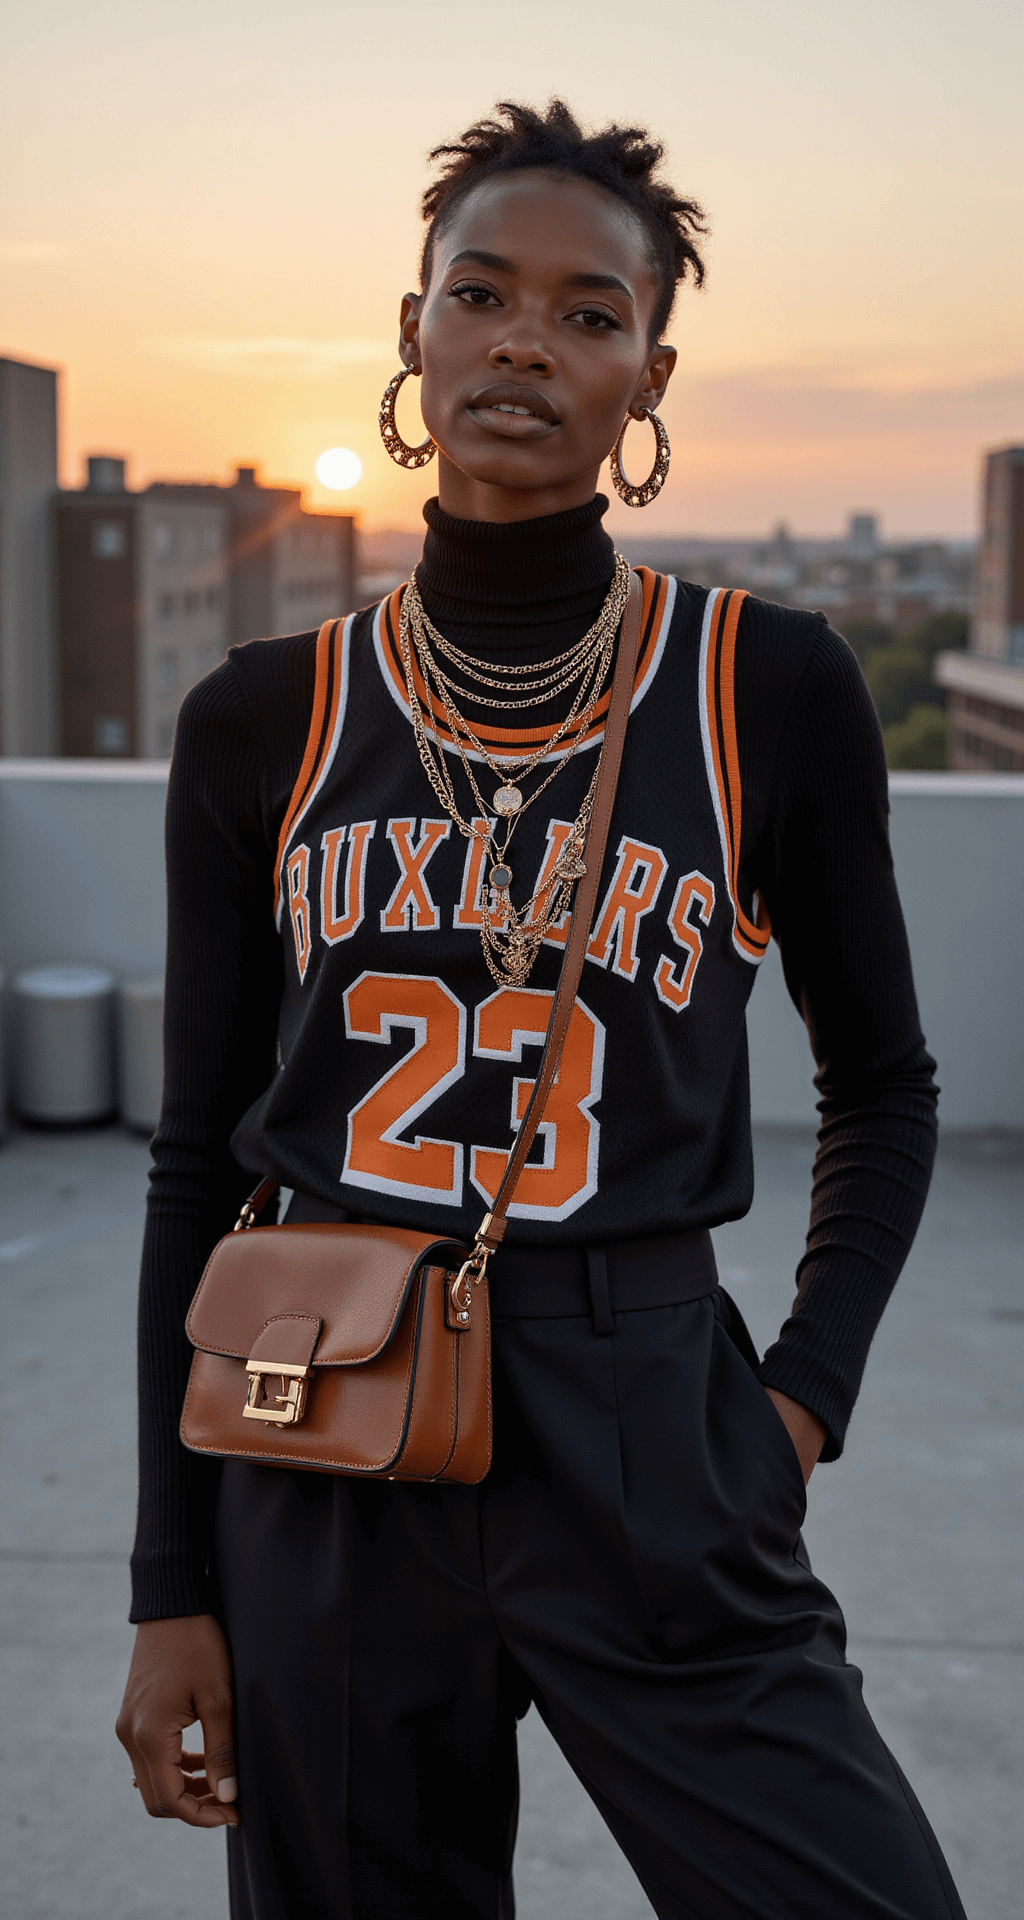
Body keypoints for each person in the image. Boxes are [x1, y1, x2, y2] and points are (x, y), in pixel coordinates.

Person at [117, 99, 966, 1920]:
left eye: (591, 314)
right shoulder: (264, 715)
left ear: (651, 376)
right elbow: (199, 1160)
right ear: (411, 336)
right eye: (482, 292)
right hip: (320, 1409)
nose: (526, 339)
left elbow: (885, 1087)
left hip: (649, 1408)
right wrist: (169, 1584)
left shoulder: (767, 684)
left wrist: (796, 1400)